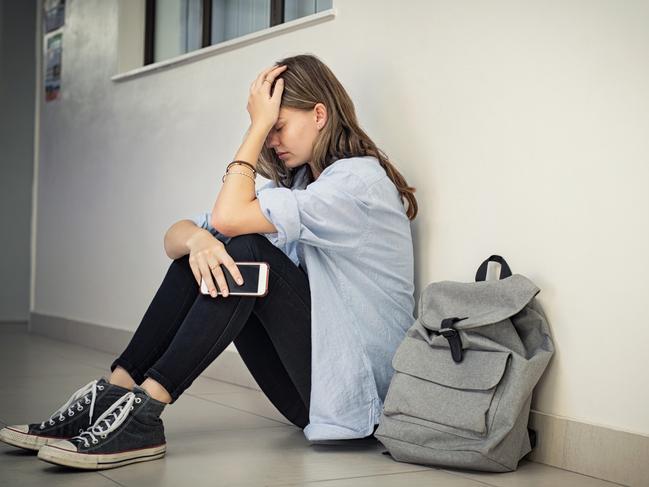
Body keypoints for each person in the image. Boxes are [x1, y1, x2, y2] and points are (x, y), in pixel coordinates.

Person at [0, 53, 418, 470]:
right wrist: (199, 240)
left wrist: (254, 128)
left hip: (358, 398)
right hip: (313, 394)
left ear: (320, 114)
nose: (272, 140)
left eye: (277, 127)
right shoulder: (302, 185)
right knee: (201, 254)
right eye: (266, 130)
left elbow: (228, 218)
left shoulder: (357, 184)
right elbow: (175, 237)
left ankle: (145, 413)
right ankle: (115, 392)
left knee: (246, 252)